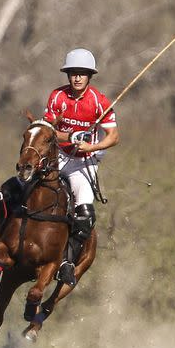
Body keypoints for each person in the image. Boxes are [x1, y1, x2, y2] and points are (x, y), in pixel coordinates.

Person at [43, 48, 119, 286]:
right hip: (60, 155)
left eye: (82, 74)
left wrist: (92, 148)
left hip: (83, 161)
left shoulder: (99, 101)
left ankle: (67, 262)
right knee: (25, 185)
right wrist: (71, 134)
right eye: (73, 73)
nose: (77, 78)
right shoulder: (57, 97)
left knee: (84, 211)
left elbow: (113, 136)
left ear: (89, 76)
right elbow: (48, 130)